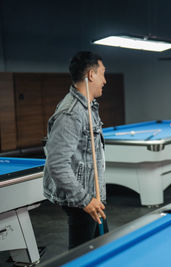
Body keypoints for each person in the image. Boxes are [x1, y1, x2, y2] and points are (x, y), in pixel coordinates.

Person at [43, 51, 108, 249]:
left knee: (102, 249)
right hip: (83, 200)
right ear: (91, 75)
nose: (105, 80)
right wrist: (85, 199)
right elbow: (57, 164)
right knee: (82, 256)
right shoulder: (71, 113)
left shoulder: (88, 106)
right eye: (103, 74)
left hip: (93, 196)